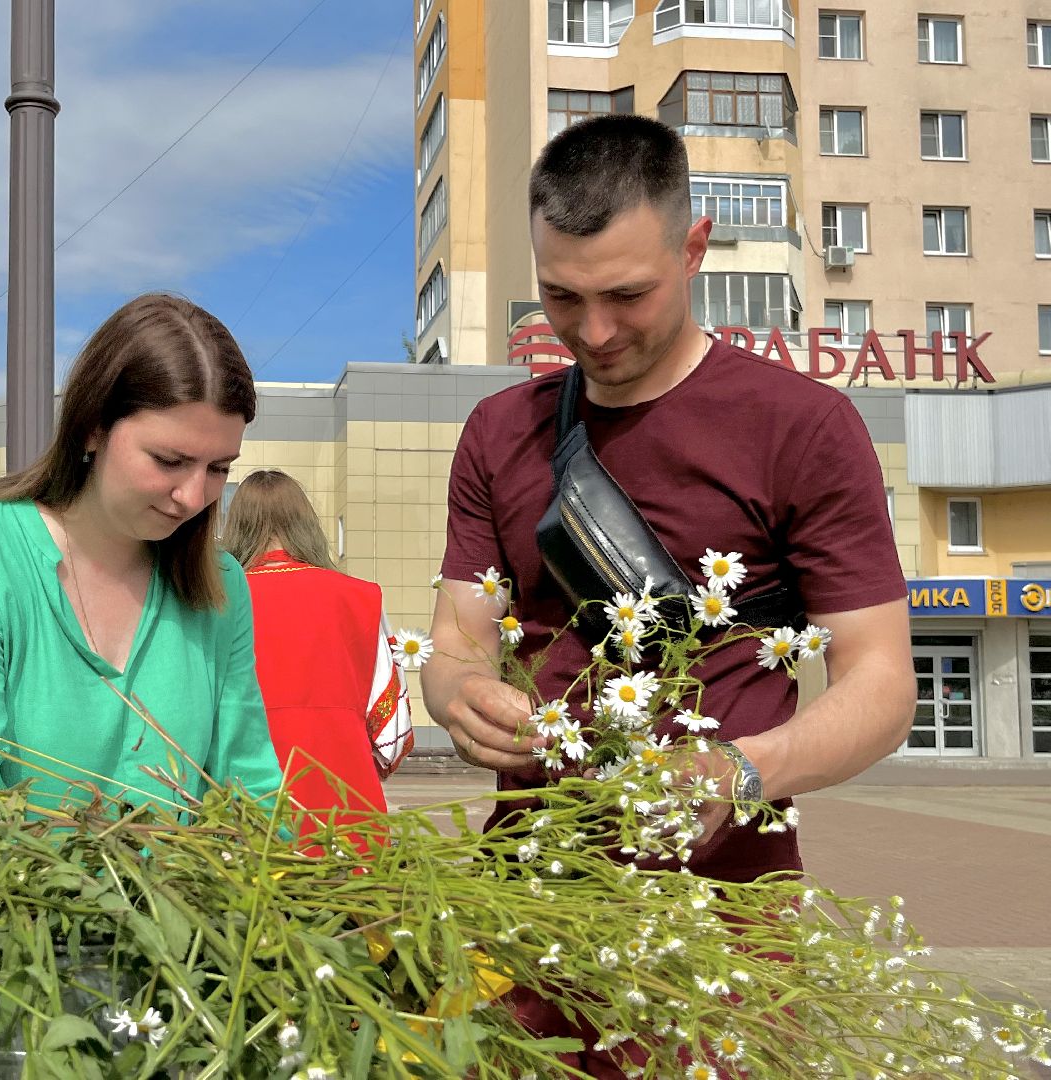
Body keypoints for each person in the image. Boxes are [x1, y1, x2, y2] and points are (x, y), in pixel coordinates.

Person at [419, 116, 915, 1073]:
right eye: (562, 296)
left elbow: (884, 683)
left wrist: (743, 770)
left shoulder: (804, 426)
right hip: (525, 907)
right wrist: (458, 697)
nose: (593, 332)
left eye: (627, 295)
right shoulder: (497, 432)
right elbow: (457, 638)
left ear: (696, 246)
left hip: (723, 926)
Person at [0, 294, 284, 819]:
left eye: (219, 468)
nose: (193, 496)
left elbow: (249, 790)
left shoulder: (222, 584)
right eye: (170, 460)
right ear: (94, 426)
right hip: (1, 899)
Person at [222, 470, 414, 840]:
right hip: (345, 802)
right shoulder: (359, 598)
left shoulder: (218, 600)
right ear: (306, 522)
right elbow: (393, 733)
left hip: (244, 806)